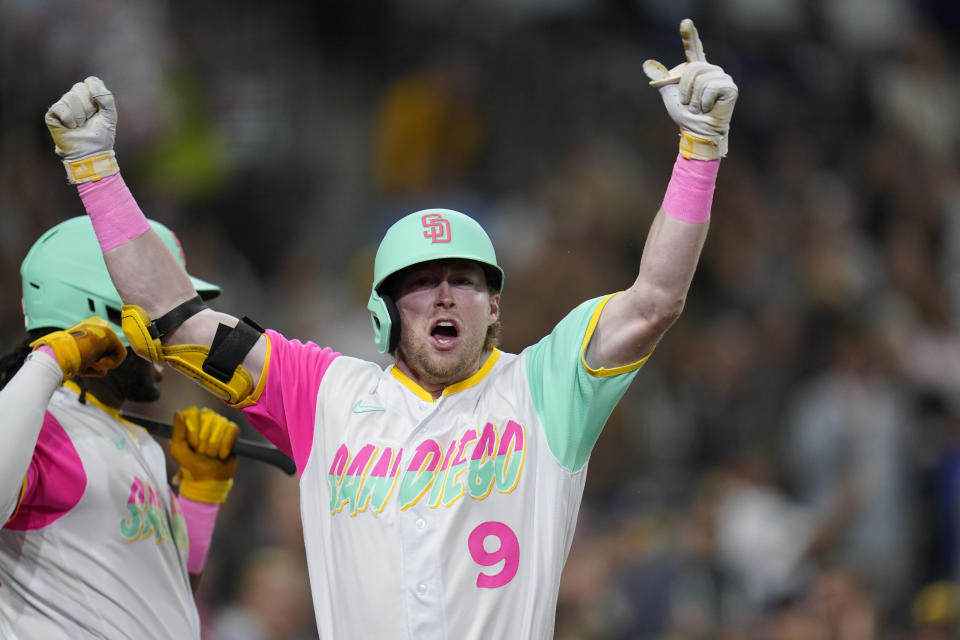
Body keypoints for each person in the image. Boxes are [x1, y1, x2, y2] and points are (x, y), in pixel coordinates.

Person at [43, 17, 737, 639]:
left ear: (494, 306)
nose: (444, 296)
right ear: (383, 309)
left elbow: (654, 302)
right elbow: (180, 319)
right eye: (420, 283)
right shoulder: (323, 394)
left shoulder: (545, 388)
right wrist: (96, 171)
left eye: (465, 281)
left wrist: (699, 151)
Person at [0, 216, 242, 639]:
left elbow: (166, 596)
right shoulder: (41, 425)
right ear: (102, 309)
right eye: (166, 316)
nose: (176, 337)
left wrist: (200, 498)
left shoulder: (138, 441)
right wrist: (50, 361)